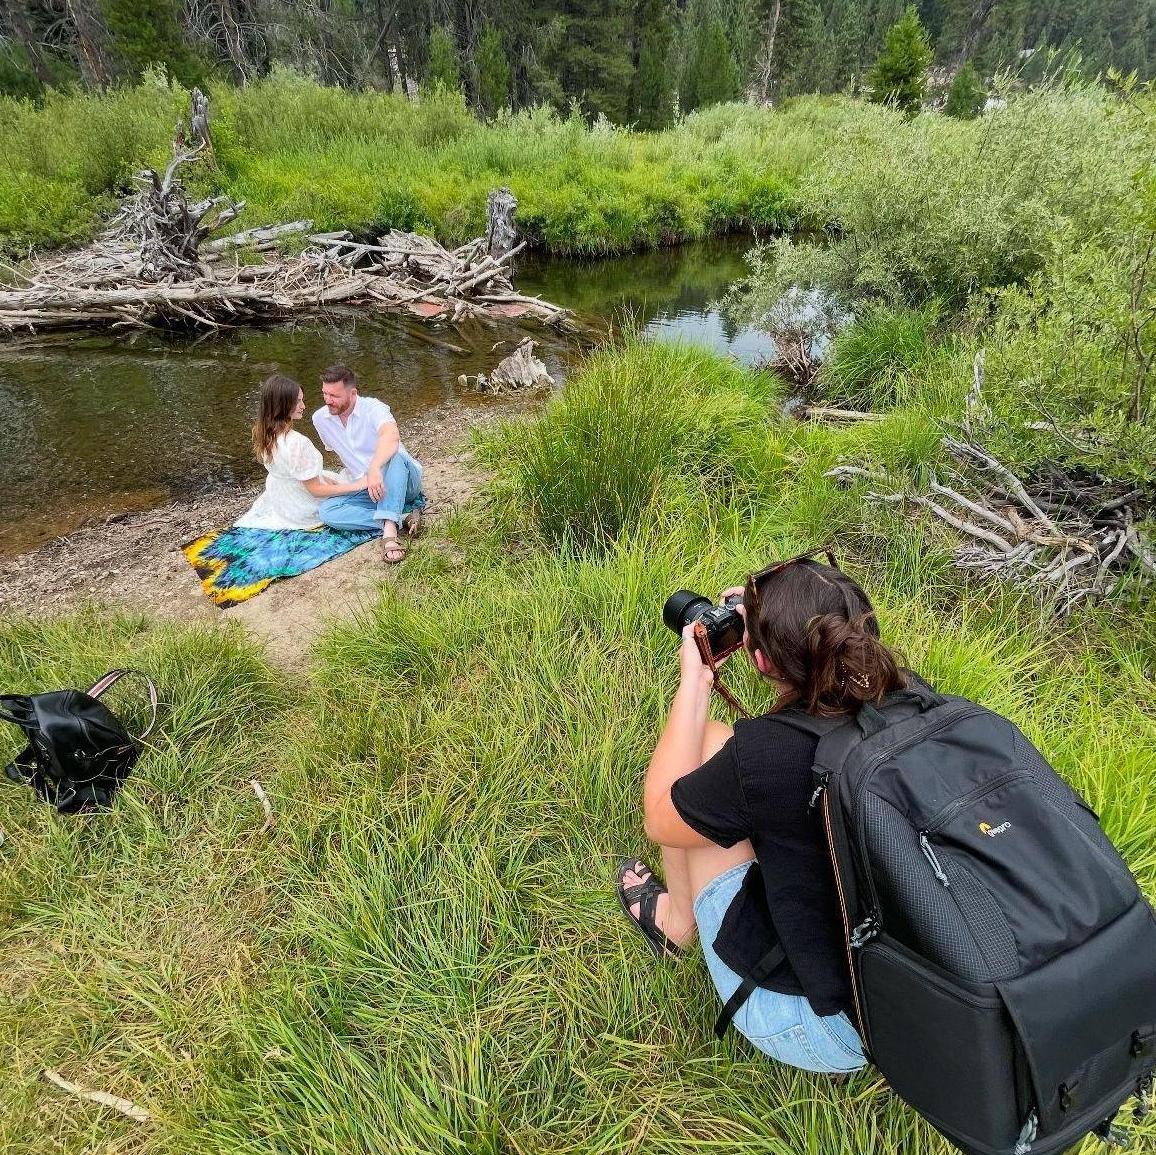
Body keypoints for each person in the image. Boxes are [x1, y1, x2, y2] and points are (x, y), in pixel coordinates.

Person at [618, 551, 907, 1074]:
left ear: (760, 662)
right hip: (902, 1012)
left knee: (701, 756)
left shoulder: (767, 757)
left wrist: (696, 681)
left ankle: (676, 925)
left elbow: (661, 814)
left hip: (823, 1028)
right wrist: (778, 617)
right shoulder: (912, 701)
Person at [311, 365, 426, 564]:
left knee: (395, 454)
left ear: (353, 393)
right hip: (368, 488)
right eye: (325, 394)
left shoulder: (374, 408)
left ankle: (390, 530)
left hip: (404, 480)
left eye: (334, 396)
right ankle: (405, 516)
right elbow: (338, 451)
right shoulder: (320, 419)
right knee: (327, 511)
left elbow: (391, 437)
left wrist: (374, 469)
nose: (328, 400)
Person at [235, 374, 371, 530]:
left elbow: (291, 470)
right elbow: (316, 490)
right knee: (356, 487)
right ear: (282, 405)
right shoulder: (297, 442)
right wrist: (358, 486)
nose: (303, 406)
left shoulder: (264, 433)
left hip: (284, 502)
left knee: (335, 478)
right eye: (298, 401)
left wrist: (322, 477)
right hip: (302, 507)